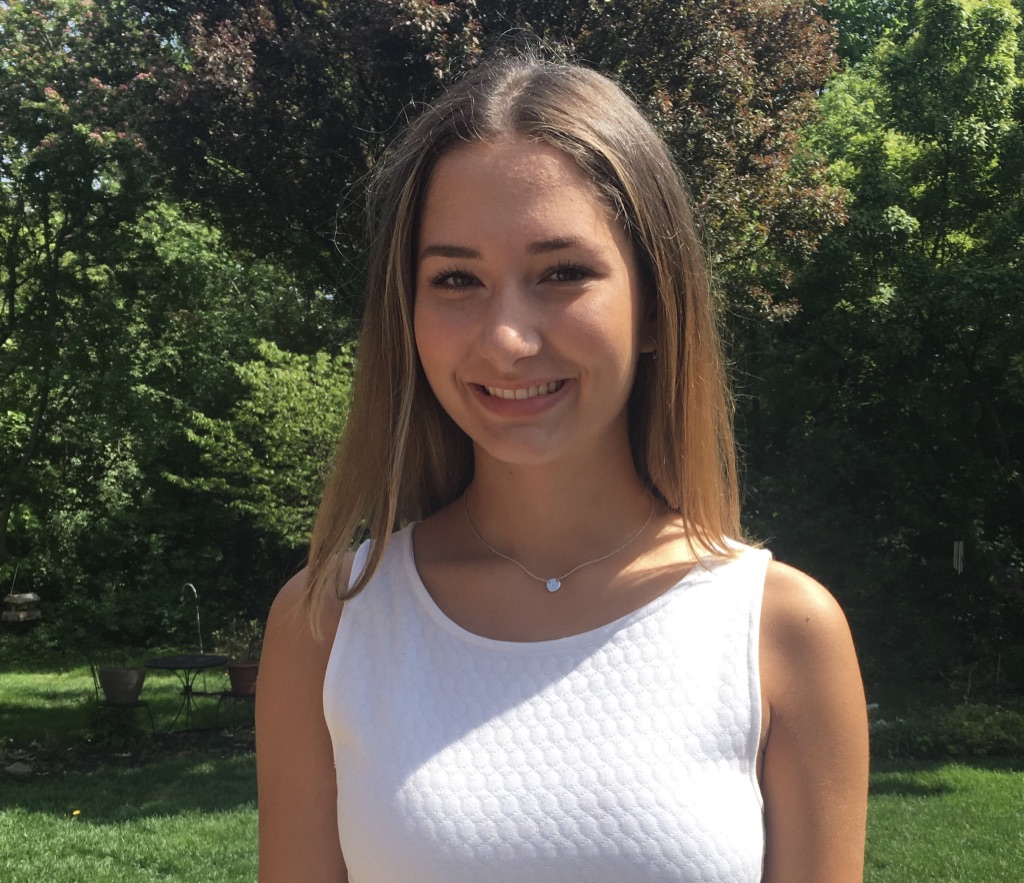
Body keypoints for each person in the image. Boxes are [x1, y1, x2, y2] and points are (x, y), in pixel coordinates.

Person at [256, 54, 869, 883]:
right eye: (457, 279)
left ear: (655, 304)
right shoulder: (328, 625)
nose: (508, 338)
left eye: (562, 273)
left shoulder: (782, 632)